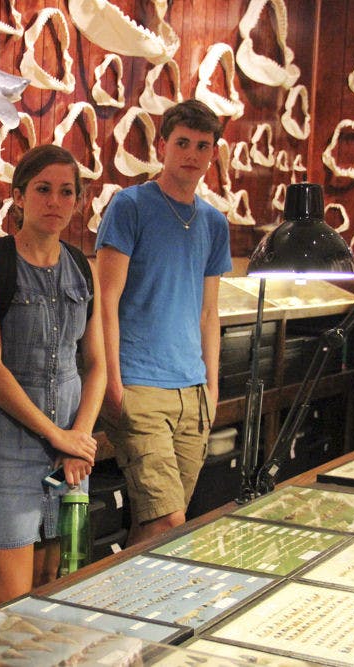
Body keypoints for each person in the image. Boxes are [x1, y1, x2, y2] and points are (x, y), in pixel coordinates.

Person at [0, 145, 106, 606]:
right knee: (10, 596)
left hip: (70, 454)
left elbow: (97, 364)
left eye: (67, 192)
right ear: (19, 196)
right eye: (43, 189)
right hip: (9, 450)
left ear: (78, 202)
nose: (55, 202)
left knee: (58, 585)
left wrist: (79, 438)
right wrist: (56, 435)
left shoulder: (84, 268)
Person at [95, 99, 232, 546]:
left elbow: (209, 313)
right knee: (168, 521)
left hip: (192, 393)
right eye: (183, 143)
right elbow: (106, 301)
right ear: (163, 145)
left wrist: (212, 388)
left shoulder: (214, 222)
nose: (192, 154)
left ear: (213, 153)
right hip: (139, 385)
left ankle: (124, 610)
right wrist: (111, 384)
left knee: (156, 525)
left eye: (203, 146)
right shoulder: (130, 205)